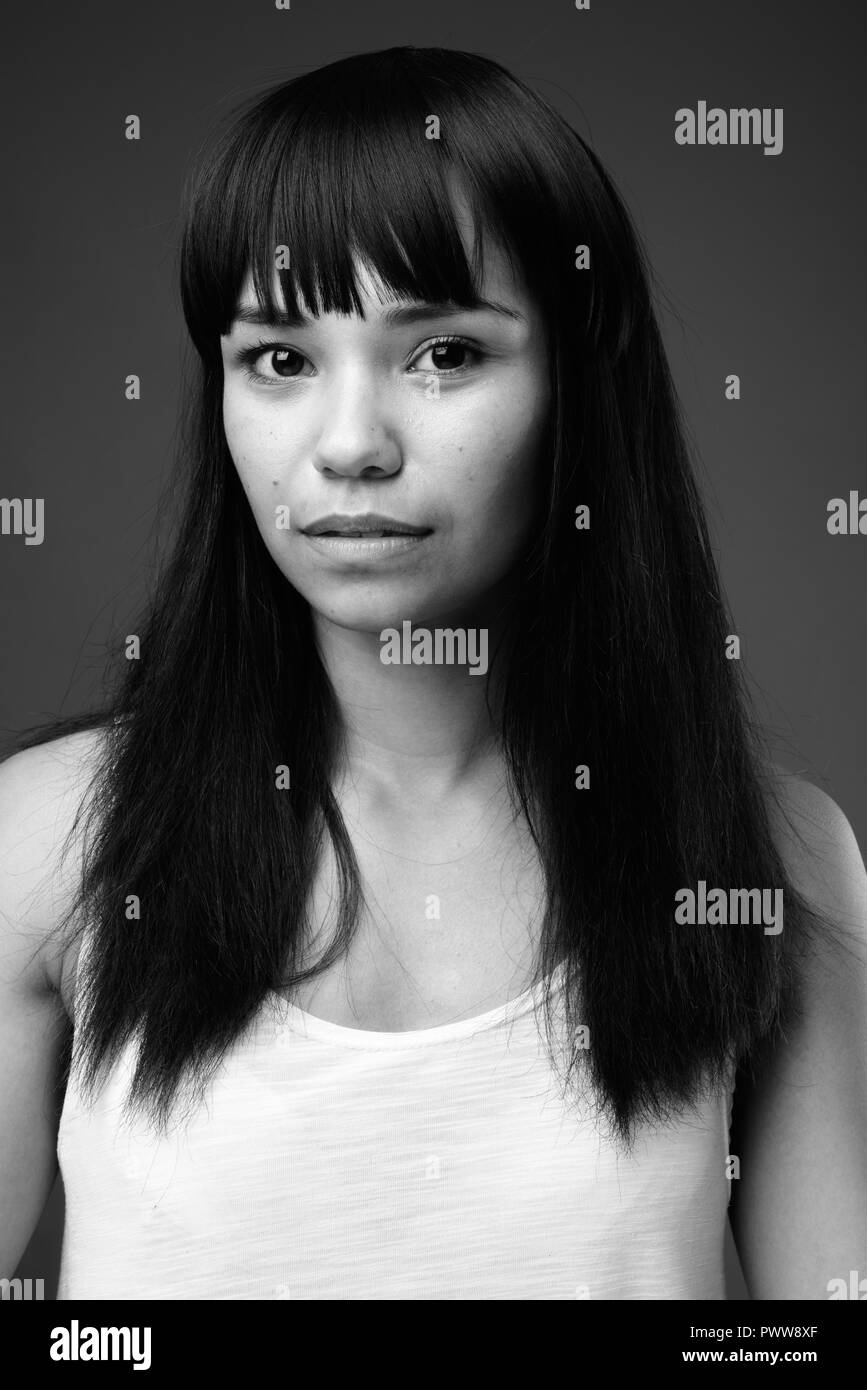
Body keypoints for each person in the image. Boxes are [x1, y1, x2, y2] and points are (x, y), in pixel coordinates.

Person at [1, 45, 865, 1302]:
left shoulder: (770, 858)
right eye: (280, 359)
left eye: (444, 353)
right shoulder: (45, 842)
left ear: (578, 372)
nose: (349, 446)